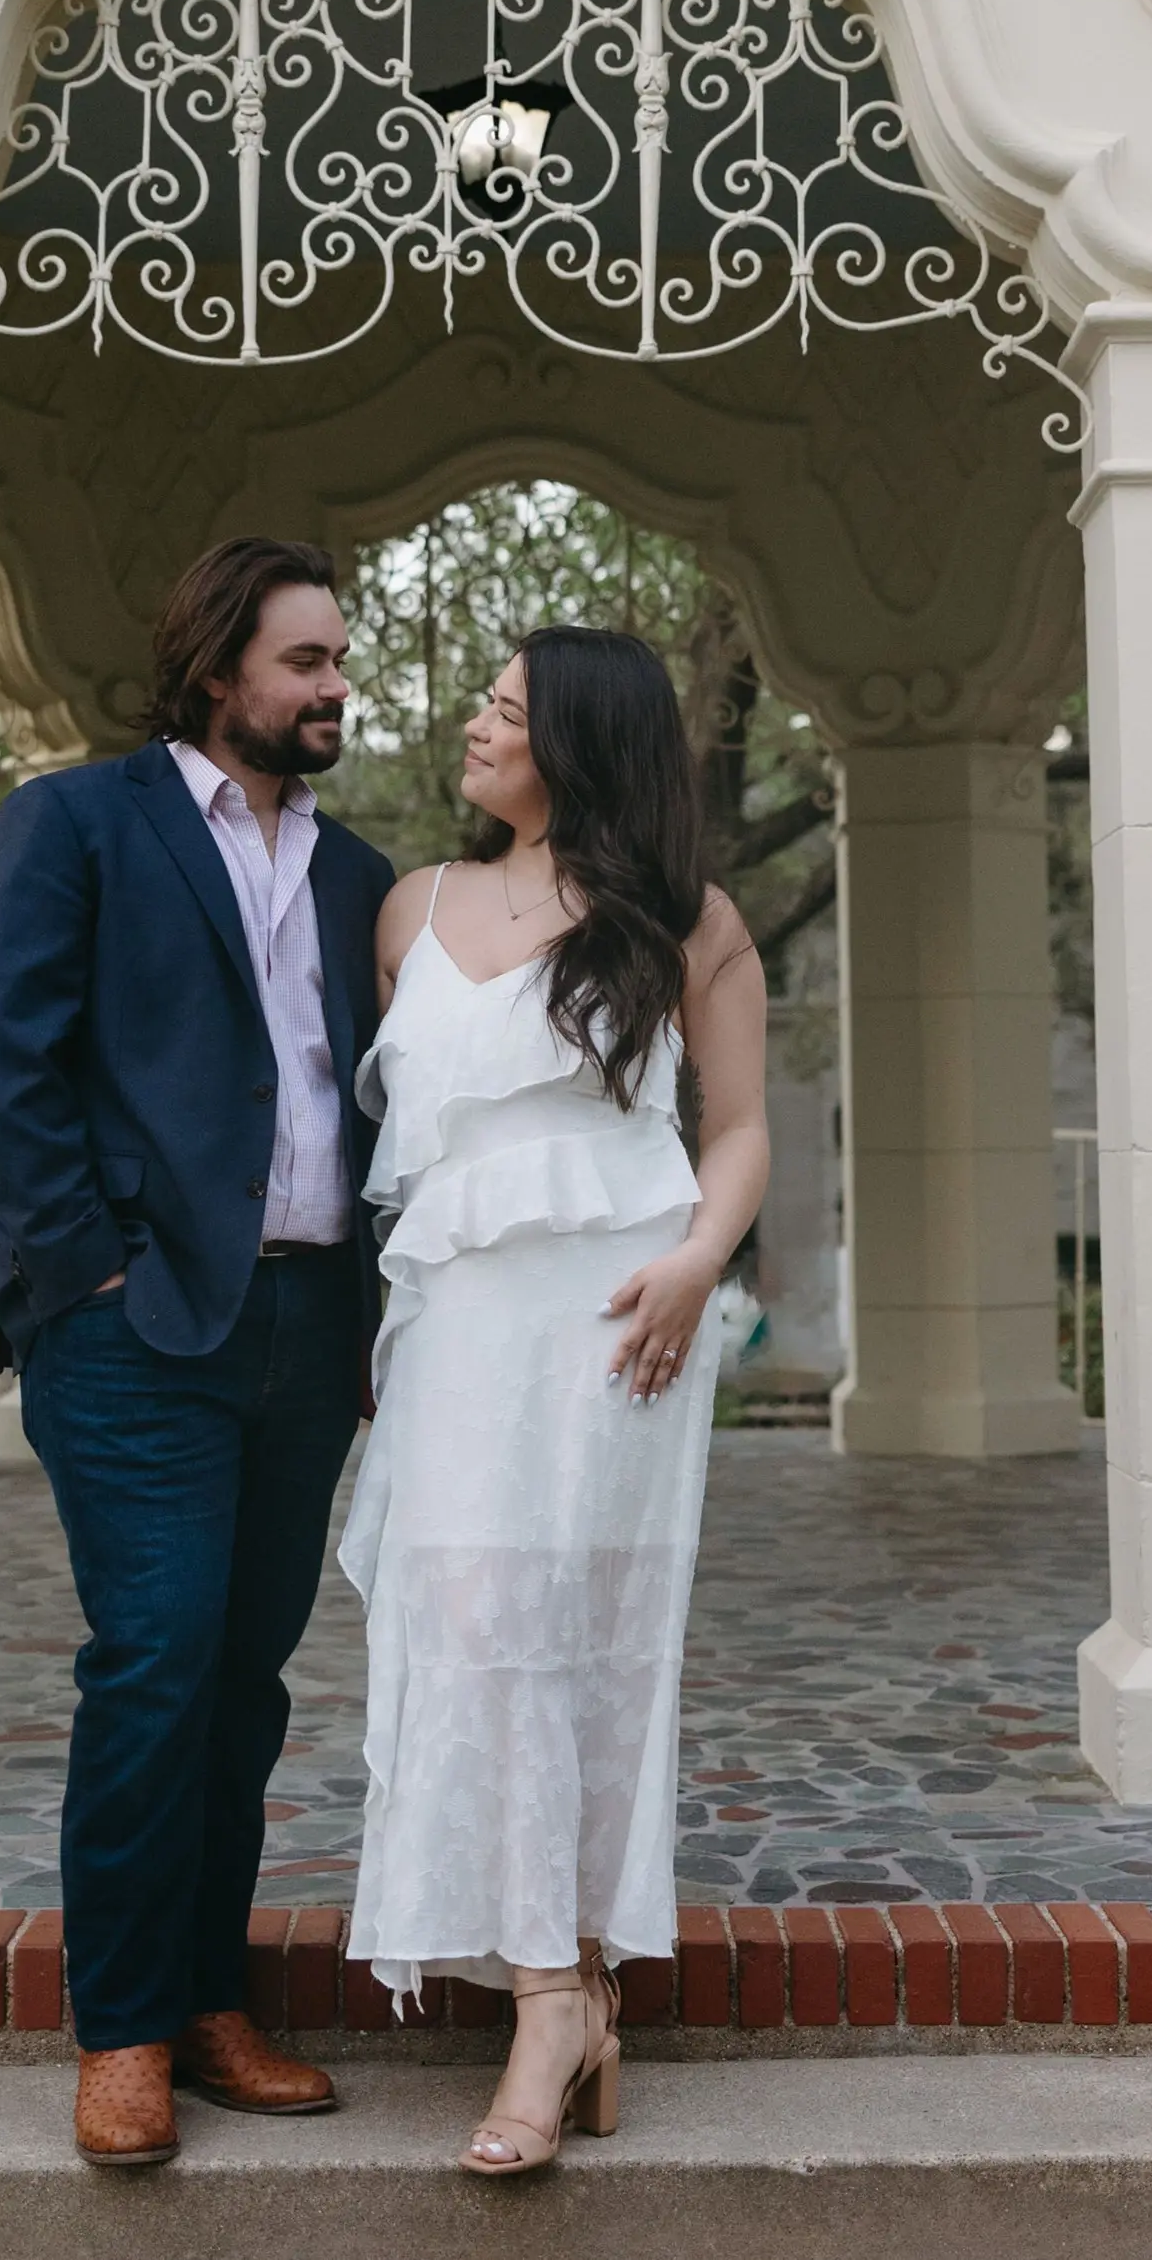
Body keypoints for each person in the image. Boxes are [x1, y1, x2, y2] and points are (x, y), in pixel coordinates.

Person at [0, 535, 394, 2168]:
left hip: (307, 1322)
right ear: (220, 671)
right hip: (139, 1327)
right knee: (151, 1661)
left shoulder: (358, 876)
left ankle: (212, 2000)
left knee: (242, 1679)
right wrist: (91, 1279)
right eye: (306, 661)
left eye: (339, 659)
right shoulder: (77, 821)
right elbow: (8, 1064)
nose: (335, 684)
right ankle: (125, 2028)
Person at [341, 624, 769, 2177]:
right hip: (458, 1325)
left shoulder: (685, 919)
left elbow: (736, 1132)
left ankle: (555, 1992)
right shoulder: (409, 909)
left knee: (583, 1635)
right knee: (463, 1621)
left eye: (507, 708)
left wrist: (695, 1263)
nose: (474, 722)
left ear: (581, 742)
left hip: (616, 1322)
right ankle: (555, 1987)